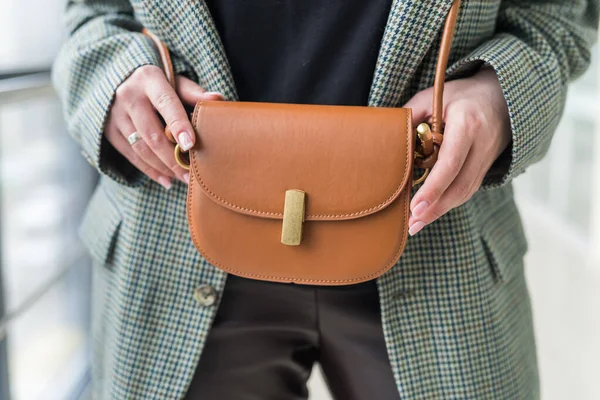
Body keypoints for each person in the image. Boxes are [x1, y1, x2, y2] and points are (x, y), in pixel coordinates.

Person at [53, 0, 598, 399]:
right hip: (174, 231)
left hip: (436, 244)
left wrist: (499, 94)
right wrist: (113, 77)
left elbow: (558, 16)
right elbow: (90, 12)